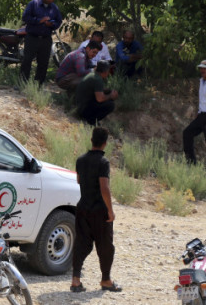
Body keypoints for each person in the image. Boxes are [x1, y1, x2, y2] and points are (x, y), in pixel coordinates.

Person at [70, 126, 121, 293]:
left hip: (83, 207)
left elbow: (79, 180)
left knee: (81, 243)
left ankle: (76, 280)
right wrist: (110, 210)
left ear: (91, 140)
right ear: (105, 143)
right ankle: (106, 280)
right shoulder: (103, 162)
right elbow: (104, 187)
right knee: (105, 246)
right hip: (99, 211)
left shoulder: (81, 160)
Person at [182, 59, 206, 171]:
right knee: (187, 133)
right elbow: (203, 100)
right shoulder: (202, 81)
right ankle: (191, 164)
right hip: (202, 115)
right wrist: (199, 113)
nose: (202, 70)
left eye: (205, 68)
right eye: (201, 68)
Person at [20, 0, 63, 84]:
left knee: (43, 63)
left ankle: (38, 84)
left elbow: (59, 21)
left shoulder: (54, 8)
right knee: (27, 61)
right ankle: (22, 83)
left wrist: (52, 25)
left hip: (46, 39)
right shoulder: (33, 4)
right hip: (32, 37)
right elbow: (25, 17)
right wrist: (39, 21)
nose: (51, 0)